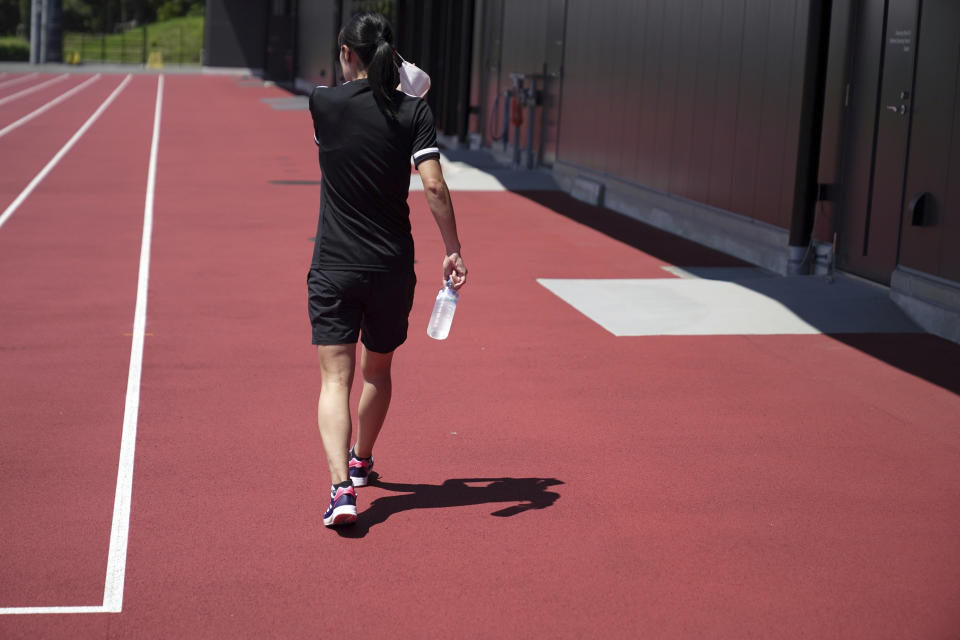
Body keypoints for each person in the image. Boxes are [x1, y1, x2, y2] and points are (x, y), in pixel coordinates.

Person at [307, 12, 467, 527]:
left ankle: (340, 493)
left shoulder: (323, 104)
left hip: (335, 263)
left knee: (336, 380)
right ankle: (361, 461)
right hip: (391, 265)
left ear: (346, 54)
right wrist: (453, 248)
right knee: (378, 370)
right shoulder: (414, 111)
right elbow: (435, 187)